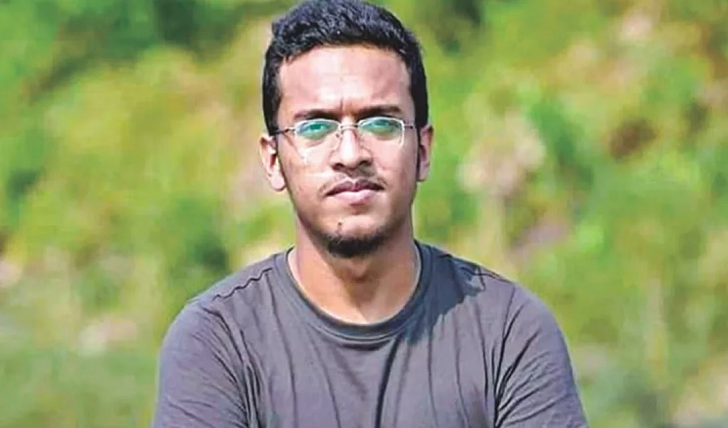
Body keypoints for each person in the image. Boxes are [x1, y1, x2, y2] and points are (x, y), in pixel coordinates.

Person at [151, 0, 589, 427]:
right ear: (273, 160)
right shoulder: (218, 342)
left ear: (423, 151)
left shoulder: (508, 333)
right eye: (315, 126)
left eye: (380, 122)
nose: (350, 153)